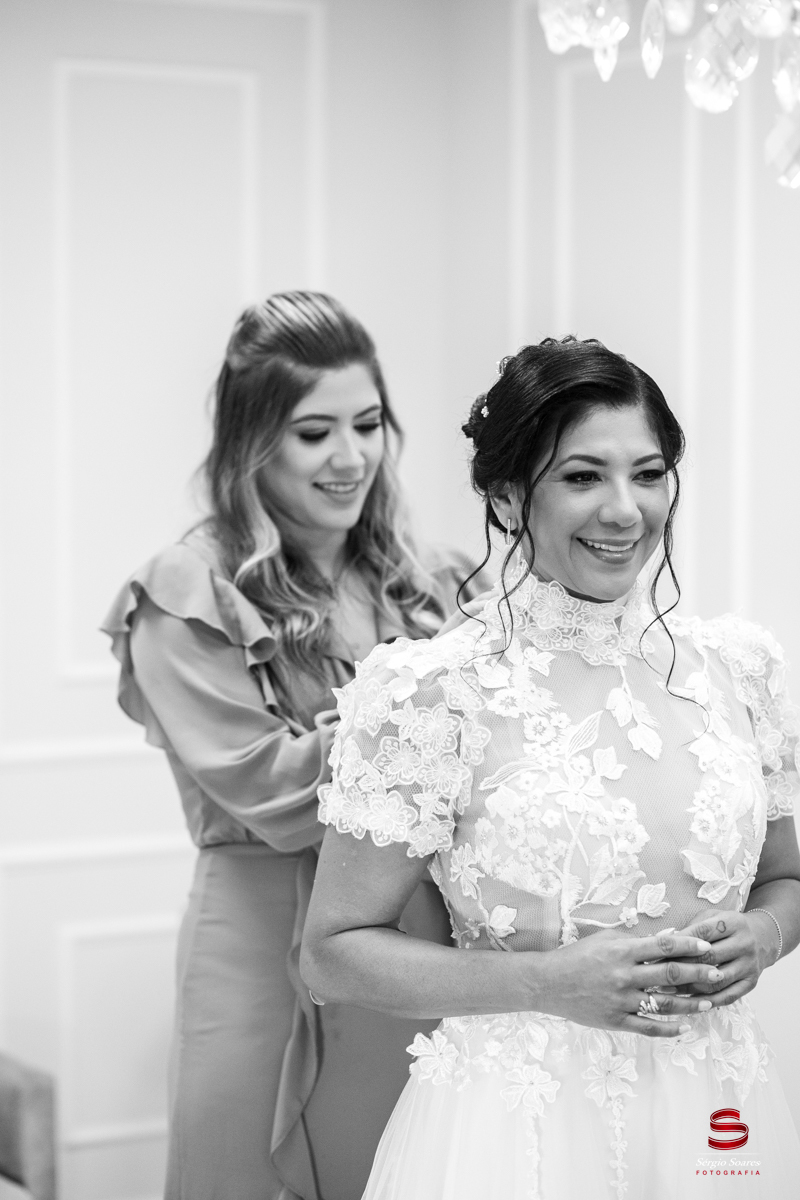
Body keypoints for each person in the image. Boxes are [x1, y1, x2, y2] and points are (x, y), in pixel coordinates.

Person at [300, 335, 800, 1199]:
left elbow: (786, 879)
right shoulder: (431, 691)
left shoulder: (741, 670)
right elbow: (332, 954)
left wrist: (765, 936)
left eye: (649, 474)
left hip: (715, 1106)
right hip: (514, 1128)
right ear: (505, 496)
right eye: (582, 476)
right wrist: (541, 982)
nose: (625, 510)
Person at [101, 291, 483, 1200]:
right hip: (259, 940)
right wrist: (424, 718)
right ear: (252, 442)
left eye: (368, 423)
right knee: (237, 1170)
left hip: (410, 942)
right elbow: (271, 793)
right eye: (315, 433)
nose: (351, 458)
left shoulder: (434, 580)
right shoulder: (188, 594)